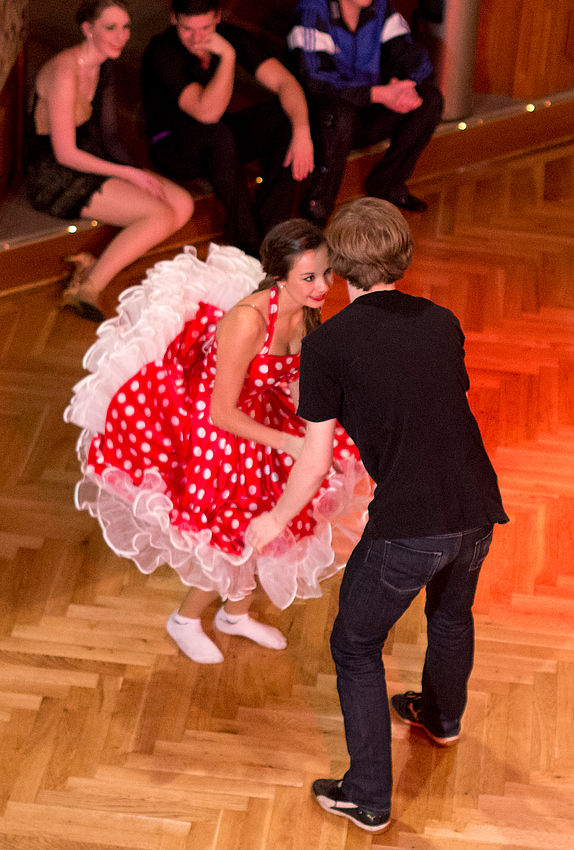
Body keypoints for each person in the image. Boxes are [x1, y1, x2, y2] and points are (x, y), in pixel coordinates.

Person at [247, 197, 509, 832]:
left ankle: (367, 794)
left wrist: (273, 521)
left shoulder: (329, 344)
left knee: (355, 644)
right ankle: (441, 720)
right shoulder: (443, 320)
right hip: (476, 505)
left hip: (409, 524)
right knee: (451, 615)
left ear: (337, 264)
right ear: (403, 255)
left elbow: (313, 460)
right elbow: (420, 395)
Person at [64, 220, 367, 664]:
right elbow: (220, 413)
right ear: (280, 276)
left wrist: (316, 426)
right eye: (310, 277)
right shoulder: (247, 321)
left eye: (327, 273)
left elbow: (292, 379)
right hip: (216, 430)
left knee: (276, 514)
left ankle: (234, 614)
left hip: (258, 418)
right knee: (231, 532)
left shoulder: (306, 311)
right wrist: (290, 444)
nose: (323, 285)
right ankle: (185, 619)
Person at [26, 0, 194, 323]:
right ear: (88, 29)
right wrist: (127, 173)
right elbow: (65, 154)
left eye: (126, 27)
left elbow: (110, 136)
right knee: (159, 215)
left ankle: (94, 264)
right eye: (110, 28)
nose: (121, 37)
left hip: (92, 158)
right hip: (56, 174)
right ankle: (85, 288)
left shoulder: (104, 65)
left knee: (183, 204)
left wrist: (137, 173)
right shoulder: (64, 72)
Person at [141, 0, 314, 257]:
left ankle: (272, 231)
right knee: (218, 134)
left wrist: (302, 132)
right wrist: (229, 57)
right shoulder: (162, 50)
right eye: (187, 29)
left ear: (218, 17)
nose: (197, 38)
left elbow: (285, 82)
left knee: (284, 118)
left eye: (205, 28)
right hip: (173, 147)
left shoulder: (229, 36)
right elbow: (206, 113)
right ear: (173, 19)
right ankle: (247, 245)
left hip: (219, 138)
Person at [287, 0, 444, 225]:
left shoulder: (381, 8)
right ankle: (317, 207)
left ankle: (387, 185)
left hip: (365, 109)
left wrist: (407, 84)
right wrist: (378, 94)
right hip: (319, 121)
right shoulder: (312, 12)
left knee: (430, 100)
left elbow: (410, 54)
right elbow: (316, 81)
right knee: (340, 115)